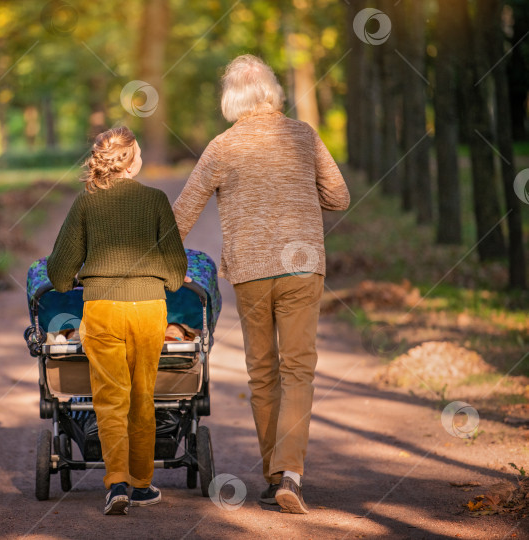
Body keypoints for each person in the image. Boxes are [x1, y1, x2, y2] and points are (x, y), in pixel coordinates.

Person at [172, 55, 350, 514]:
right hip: (302, 267)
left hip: (250, 273)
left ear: (231, 99)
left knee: (263, 373)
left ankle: (275, 476)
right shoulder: (303, 135)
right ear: (272, 91)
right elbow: (339, 196)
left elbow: (182, 215)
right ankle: (290, 474)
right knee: (298, 371)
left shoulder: (221, 146)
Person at [47, 126, 187, 516]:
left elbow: (59, 275)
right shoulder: (156, 200)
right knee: (143, 397)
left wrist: (81, 273)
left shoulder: (86, 204)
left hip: (103, 309)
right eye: (138, 149)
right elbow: (177, 273)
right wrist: (156, 271)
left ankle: (117, 484)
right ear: (130, 160)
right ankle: (142, 485)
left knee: (109, 400)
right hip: (148, 309)